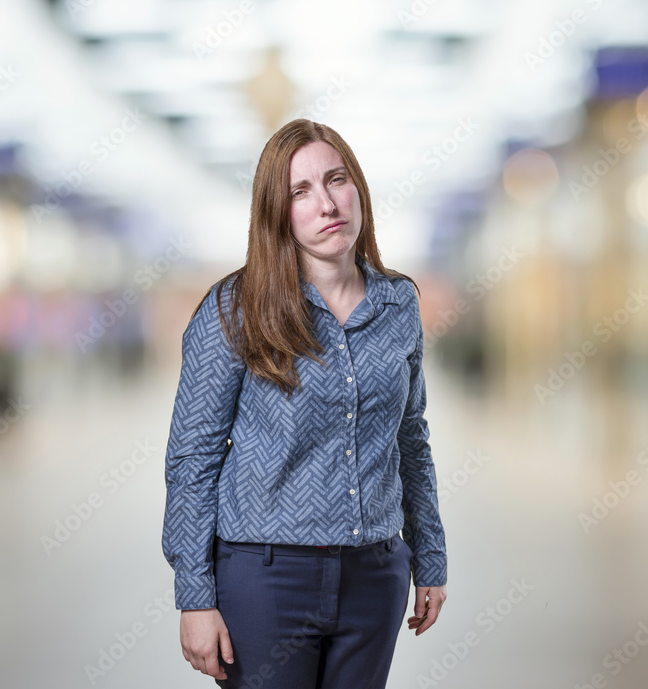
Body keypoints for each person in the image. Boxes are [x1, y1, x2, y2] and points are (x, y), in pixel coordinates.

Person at [161, 118, 449, 689]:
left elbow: (410, 439)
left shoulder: (398, 305)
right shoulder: (234, 310)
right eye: (300, 191)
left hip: (373, 577)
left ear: (358, 187)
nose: (326, 203)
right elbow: (192, 459)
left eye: (336, 180)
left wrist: (429, 558)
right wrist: (193, 596)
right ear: (277, 213)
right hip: (264, 581)